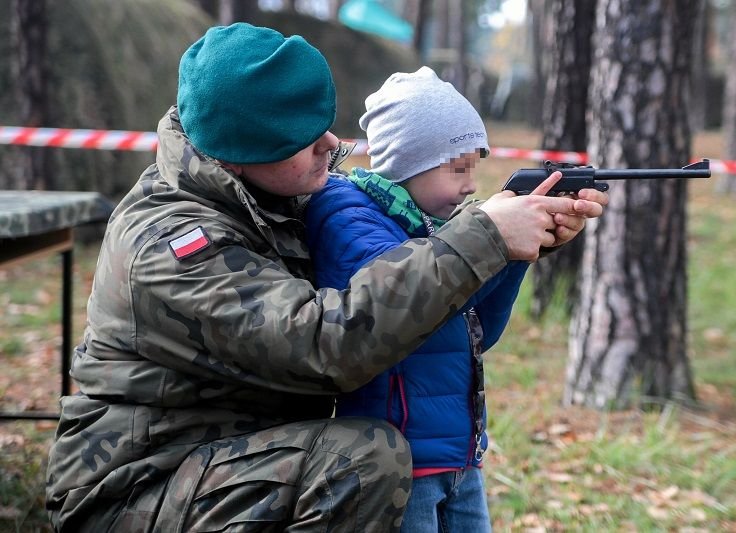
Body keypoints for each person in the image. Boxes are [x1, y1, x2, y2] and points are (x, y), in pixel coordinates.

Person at [44, 22, 608, 532]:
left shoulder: (271, 193)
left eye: (325, 125)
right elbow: (324, 345)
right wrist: (481, 237)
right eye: (303, 139)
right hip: (138, 486)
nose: (332, 144)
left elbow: (400, 268)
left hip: (231, 459)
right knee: (361, 460)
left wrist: (509, 243)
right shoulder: (172, 244)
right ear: (240, 152)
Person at [305, 66, 534, 532]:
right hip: (401, 465)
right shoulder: (348, 215)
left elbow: (474, 329)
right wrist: (486, 240)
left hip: (459, 455)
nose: (471, 184)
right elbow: (402, 303)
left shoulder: (437, 229)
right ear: (411, 161)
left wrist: (514, 255)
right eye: (459, 167)